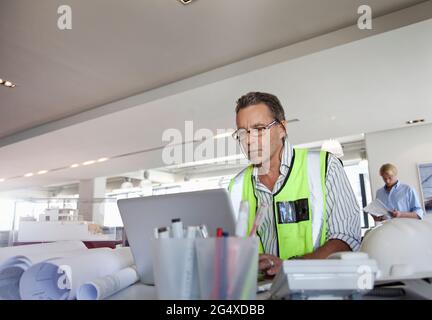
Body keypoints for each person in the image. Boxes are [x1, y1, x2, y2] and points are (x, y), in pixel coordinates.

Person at [228, 92, 361, 277]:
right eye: (242, 133)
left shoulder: (324, 167)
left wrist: (292, 267)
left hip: (318, 290)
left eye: (259, 129)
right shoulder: (236, 186)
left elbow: (346, 238)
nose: (248, 140)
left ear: (282, 128)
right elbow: (231, 251)